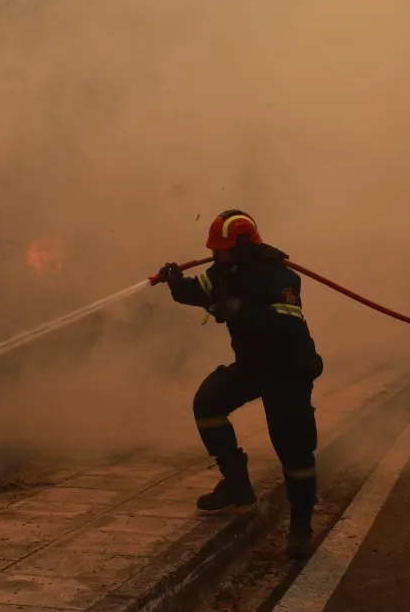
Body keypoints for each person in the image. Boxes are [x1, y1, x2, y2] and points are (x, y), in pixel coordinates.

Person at [156, 209, 324, 559]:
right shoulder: (224, 272)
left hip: (287, 371)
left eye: (223, 249)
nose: (217, 255)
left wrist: (240, 311)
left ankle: (301, 526)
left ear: (244, 246)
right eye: (216, 251)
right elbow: (196, 291)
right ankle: (237, 486)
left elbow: (286, 326)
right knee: (208, 403)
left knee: (293, 449)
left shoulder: (280, 277)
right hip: (252, 367)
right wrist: (175, 282)